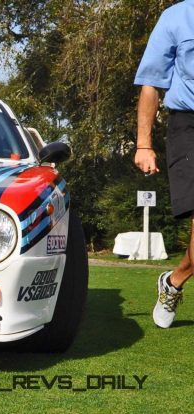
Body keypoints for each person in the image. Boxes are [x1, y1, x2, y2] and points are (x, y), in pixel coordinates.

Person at [134, 0, 194, 328]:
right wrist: (144, 144)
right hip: (189, 125)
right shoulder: (176, 17)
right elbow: (151, 83)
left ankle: (175, 278)